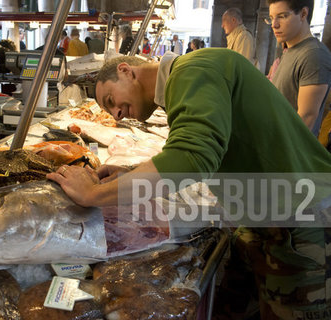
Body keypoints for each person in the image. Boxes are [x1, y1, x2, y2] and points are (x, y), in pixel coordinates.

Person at [47, 49, 331, 318]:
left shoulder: (192, 71)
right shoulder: (184, 83)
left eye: (110, 100)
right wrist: (132, 172)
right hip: (259, 215)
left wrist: (94, 194)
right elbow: (207, 152)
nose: (116, 115)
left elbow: (192, 159)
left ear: (126, 71)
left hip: (301, 214)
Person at [268, 0, 331, 137]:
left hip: (287, 152)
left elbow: (306, 119)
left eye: (282, 16)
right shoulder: (290, 49)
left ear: (303, 14)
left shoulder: (313, 54)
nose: (274, 25)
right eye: (272, 18)